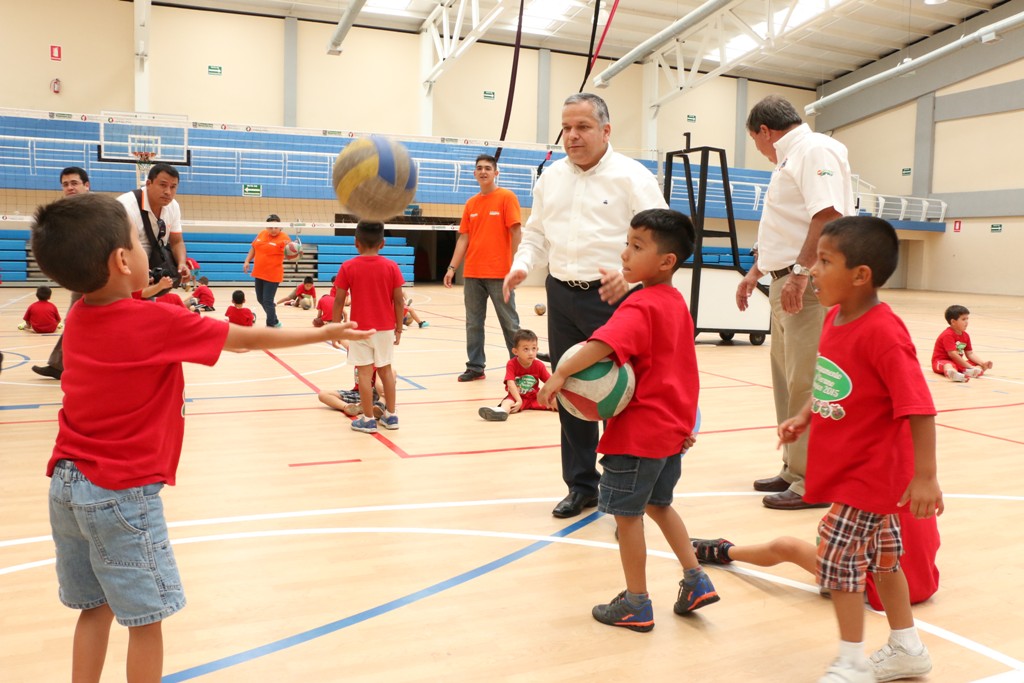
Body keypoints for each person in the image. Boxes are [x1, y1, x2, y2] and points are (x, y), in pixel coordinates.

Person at [31, 192, 371, 683]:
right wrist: (322, 333)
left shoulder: (81, 315)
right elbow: (247, 340)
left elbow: (123, 312)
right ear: (123, 260)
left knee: (95, 608)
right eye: (141, 244)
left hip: (66, 484)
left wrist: (150, 292)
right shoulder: (158, 321)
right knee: (146, 621)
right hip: (120, 494)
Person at [776, 216, 942, 683]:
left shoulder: (884, 333)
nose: (812, 270)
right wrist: (804, 416)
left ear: (860, 275)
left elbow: (919, 407)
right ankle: (907, 646)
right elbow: (831, 380)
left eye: (824, 261)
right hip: (854, 468)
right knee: (886, 560)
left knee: (837, 560)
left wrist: (925, 476)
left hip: (871, 474)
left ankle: (850, 662)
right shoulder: (834, 315)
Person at [537, 208, 717, 631]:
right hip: (672, 430)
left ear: (666, 261)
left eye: (637, 247)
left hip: (637, 436)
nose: (625, 254)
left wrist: (560, 373)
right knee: (660, 503)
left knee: (627, 516)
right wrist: (686, 425)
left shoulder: (640, 304)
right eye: (627, 243)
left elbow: (602, 344)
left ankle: (636, 602)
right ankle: (696, 579)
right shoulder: (675, 303)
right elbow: (685, 372)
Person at [503, 92, 669, 519]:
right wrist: (523, 265)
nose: (573, 136)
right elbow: (537, 235)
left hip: (615, 298)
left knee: (622, 397)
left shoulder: (633, 178)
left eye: (583, 127)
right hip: (561, 295)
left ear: (606, 130)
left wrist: (630, 275)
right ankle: (582, 486)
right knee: (572, 392)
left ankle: (625, 494)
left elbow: (663, 239)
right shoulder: (550, 178)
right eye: (567, 128)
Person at [735, 95, 855, 511]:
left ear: (764, 131)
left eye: (757, 142)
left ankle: (814, 480)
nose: (761, 151)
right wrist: (756, 272)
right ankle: (794, 467)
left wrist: (802, 274)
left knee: (808, 382)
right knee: (787, 381)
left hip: (807, 283)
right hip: (784, 279)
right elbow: (785, 226)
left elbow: (828, 215)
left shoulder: (812, 149)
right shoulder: (791, 158)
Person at [691, 502, 941, 611]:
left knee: (785, 545)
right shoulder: (919, 480)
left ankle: (724, 551)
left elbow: (832, 537)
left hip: (882, 590)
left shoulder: (864, 486)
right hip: (925, 582)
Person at [444, 154, 522, 381]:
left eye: (488, 168)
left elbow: (516, 232)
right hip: (473, 275)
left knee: (510, 324)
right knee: (473, 324)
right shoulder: (471, 204)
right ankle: (475, 367)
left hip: (501, 274)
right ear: (475, 173)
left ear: (496, 173)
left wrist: (516, 265)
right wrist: (451, 267)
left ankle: (519, 369)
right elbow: (463, 239)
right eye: (479, 168)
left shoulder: (507, 197)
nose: (483, 171)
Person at [332, 221, 405, 434]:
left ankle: (368, 419)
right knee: (386, 371)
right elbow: (399, 301)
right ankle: (391, 416)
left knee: (364, 374)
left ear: (356, 243)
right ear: (382, 244)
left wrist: (335, 327)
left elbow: (338, 300)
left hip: (359, 329)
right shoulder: (392, 266)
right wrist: (399, 328)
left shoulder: (348, 266)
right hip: (384, 329)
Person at [31, 166, 90, 379]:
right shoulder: (63, 213)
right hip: (80, 277)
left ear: (86, 185)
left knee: (80, 319)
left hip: (98, 275)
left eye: (74, 183)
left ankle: (62, 365)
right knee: (77, 319)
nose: (69, 188)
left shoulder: (97, 210)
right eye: (65, 184)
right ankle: (60, 365)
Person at [117, 163, 191, 285]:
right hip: (125, 272)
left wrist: (181, 264)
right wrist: (140, 270)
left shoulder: (173, 206)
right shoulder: (125, 206)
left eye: (173, 187)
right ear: (148, 184)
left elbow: (177, 242)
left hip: (153, 271)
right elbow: (120, 248)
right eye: (163, 185)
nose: (168, 192)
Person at [479, 328, 556, 422]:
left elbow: (550, 382)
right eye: (526, 349)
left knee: (556, 402)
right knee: (507, 403)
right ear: (515, 351)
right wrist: (519, 400)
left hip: (534, 397)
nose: (531, 353)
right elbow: (510, 384)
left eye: (534, 348)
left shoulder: (539, 365)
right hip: (516, 397)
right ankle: (500, 412)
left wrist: (551, 396)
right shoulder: (511, 364)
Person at [243, 214, 295, 328]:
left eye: (276, 227)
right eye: (270, 227)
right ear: (266, 227)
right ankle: (274, 319)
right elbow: (253, 248)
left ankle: (272, 323)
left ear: (280, 227)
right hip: (259, 272)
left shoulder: (284, 238)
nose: (273, 230)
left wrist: (295, 253)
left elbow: (290, 256)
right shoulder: (261, 233)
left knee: (267, 300)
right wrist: (247, 261)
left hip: (273, 274)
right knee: (260, 299)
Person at [931, 304, 993, 382]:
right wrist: (969, 366)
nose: (967, 322)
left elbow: (970, 354)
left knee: (975, 363)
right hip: (941, 362)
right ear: (953, 321)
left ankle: (972, 371)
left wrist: (982, 363)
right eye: (963, 319)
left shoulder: (966, 336)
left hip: (956, 362)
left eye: (967, 319)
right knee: (948, 365)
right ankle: (952, 373)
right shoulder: (947, 335)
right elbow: (952, 354)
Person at [318, 369, 386, 418]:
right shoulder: (356, 353)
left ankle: (379, 405)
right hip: (358, 394)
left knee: (388, 377)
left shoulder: (378, 363)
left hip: (375, 395)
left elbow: (380, 386)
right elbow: (346, 348)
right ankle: (349, 407)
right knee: (323, 394)